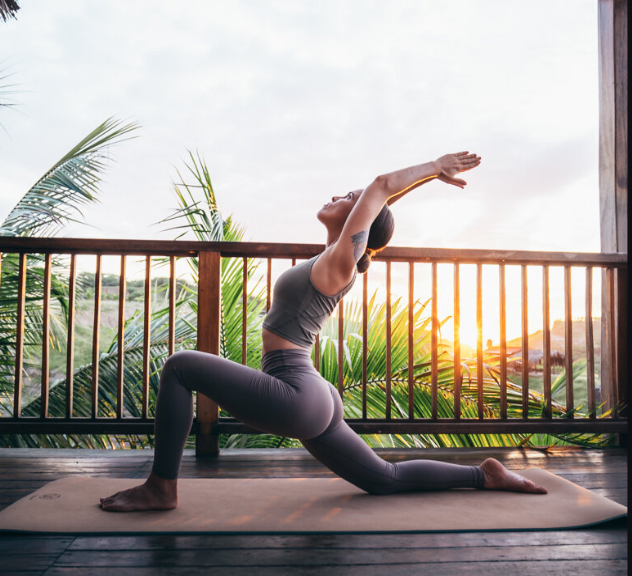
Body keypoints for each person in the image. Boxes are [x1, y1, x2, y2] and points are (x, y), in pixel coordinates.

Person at [100, 152, 547, 512]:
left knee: (179, 367)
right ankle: (484, 475)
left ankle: (161, 488)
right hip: (310, 394)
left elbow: (379, 189)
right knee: (383, 480)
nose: (339, 196)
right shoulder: (335, 256)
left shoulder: (339, 264)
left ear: (360, 220)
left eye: (349, 197)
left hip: (295, 392)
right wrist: (399, 193)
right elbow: (377, 204)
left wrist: (434, 169)